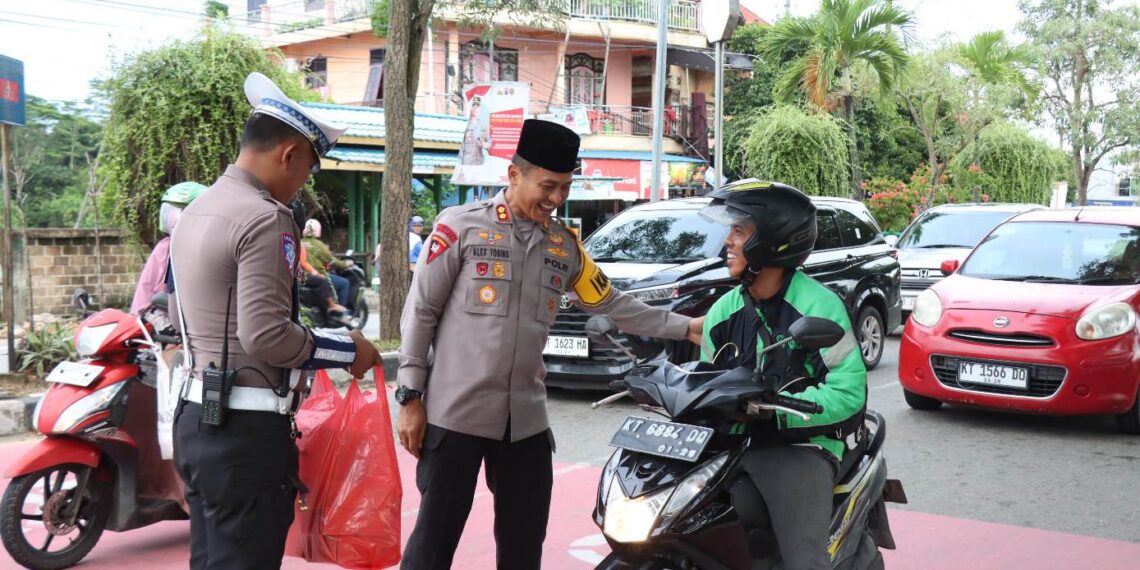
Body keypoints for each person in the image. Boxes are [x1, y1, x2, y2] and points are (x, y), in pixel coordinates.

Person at [396, 119, 705, 570]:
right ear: (514, 174)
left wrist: (686, 327)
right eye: (548, 186)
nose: (557, 198)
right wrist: (409, 395)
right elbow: (420, 311)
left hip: (525, 422)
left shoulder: (564, 247)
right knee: (431, 548)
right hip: (454, 414)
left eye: (565, 187)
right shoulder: (461, 228)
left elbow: (612, 303)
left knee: (524, 548)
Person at [169, 72, 381, 570]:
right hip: (245, 433)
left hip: (195, 421)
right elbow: (266, 335)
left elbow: (181, 313)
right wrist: (348, 348)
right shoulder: (266, 218)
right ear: (289, 154)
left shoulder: (197, 210)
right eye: (308, 168)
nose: (303, 182)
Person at [697, 179, 867, 569]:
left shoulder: (819, 307)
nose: (727, 241)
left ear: (771, 240)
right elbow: (705, 380)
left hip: (801, 446)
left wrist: (776, 410)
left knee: (803, 561)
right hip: (733, 445)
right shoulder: (722, 311)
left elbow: (848, 392)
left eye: (739, 231)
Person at [130, 182, 206, 314]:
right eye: (171, 211)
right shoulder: (166, 248)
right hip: (161, 317)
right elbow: (146, 291)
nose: (173, 219)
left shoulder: (209, 249)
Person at [302, 219, 353, 310]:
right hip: (318, 274)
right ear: (317, 230)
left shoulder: (300, 242)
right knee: (344, 283)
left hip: (303, 276)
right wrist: (344, 264)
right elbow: (331, 260)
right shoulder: (318, 245)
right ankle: (340, 312)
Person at [459, 96, 489, 166]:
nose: (475, 108)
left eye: (477, 106)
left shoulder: (483, 126)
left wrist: (486, 145)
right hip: (467, 163)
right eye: (473, 105)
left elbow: (489, 143)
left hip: (479, 163)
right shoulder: (464, 124)